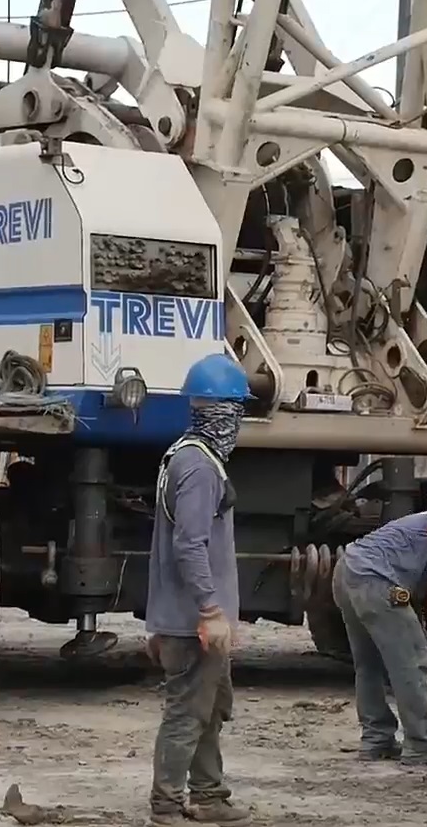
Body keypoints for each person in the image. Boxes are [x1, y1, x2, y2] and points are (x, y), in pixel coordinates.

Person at [146, 353, 252, 826]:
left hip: (185, 618)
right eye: (237, 411)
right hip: (192, 623)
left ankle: (208, 795)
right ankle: (166, 805)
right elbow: (190, 544)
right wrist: (210, 611)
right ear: (224, 412)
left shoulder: (183, 457)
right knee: (188, 714)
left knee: (207, 711)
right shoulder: (199, 468)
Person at [333, 504, 427, 766]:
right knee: (412, 660)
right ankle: (420, 743)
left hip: (346, 571)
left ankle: (376, 739)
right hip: (378, 582)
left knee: (368, 663)